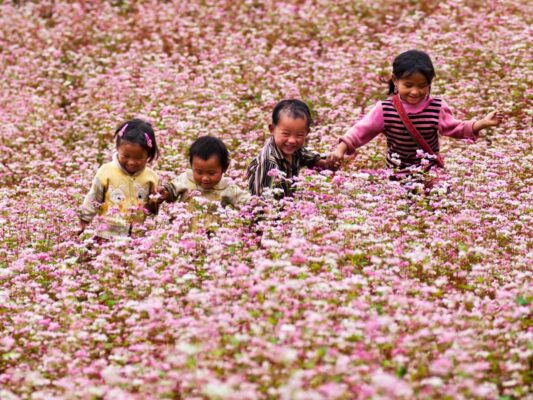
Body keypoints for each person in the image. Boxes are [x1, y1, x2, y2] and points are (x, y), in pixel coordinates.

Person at [329, 49, 503, 176]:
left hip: (431, 173)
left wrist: (483, 123)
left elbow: (455, 128)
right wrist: (340, 150)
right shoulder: (385, 109)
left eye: (422, 86)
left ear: (430, 83)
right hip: (397, 173)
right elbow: (360, 131)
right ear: (395, 81)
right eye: (408, 85)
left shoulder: (437, 107)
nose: (415, 92)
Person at [79, 118, 159, 239]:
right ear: (117, 148)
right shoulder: (106, 171)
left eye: (139, 158)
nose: (132, 162)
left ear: (149, 155)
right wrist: (84, 219)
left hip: (138, 237)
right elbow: (94, 197)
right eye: (126, 156)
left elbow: (154, 206)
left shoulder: (151, 177)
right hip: (107, 234)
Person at [247, 99, 335, 197]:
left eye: (299, 135)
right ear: (272, 129)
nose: (292, 140)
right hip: (271, 209)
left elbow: (311, 159)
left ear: (307, 132)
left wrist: (327, 163)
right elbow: (263, 198)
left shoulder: (296, 150)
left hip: (288, 206)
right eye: (286, 134)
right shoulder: (268, 161)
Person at [159, 136, 250, 208]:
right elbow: (171, 190)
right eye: (199, 172)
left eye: (211, 173)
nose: (205, 178)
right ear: (191, 166)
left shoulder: (228, 187)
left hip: (215, 227)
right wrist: (164, 193)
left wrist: (256, 205)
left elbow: (245, 201)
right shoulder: (185, 178)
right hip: (185, 226)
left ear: (224, 168)